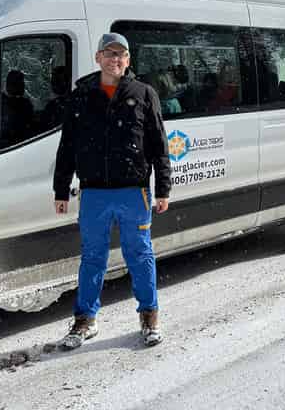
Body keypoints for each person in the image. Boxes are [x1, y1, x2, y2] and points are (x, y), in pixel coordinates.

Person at [53, 33, 172, 350]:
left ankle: (149, 316)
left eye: (120, 54)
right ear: (98, 58)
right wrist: (61, 189)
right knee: (92, 258)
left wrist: (163, 189)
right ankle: (85, 321)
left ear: (128, 60)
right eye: (108, 54)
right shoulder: (81, 95)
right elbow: (67, 146)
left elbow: (159, 146)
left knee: (140, 255)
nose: (114, 59)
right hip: (93, 193)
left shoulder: (144, 93)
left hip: (134, 192)